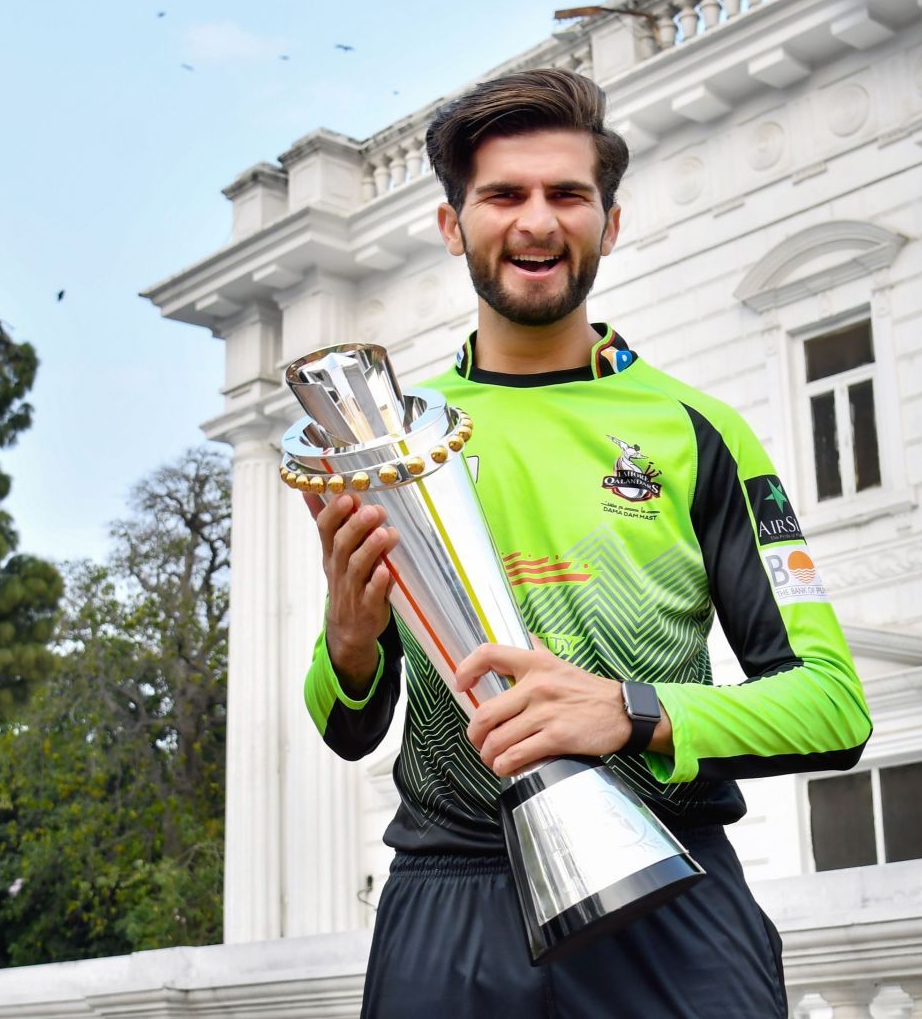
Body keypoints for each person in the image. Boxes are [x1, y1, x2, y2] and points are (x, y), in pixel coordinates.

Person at [303, 67, 871, 1017]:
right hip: (452, 906)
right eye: (503, 196)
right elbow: (345, 722)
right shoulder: (395, 443)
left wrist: (631, 711)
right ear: (454, 227)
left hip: (670, 896)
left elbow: (833, 709)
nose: (536, 221)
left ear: (610, 223)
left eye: (567, 194)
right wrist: (350, 643)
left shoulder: (701, 430)